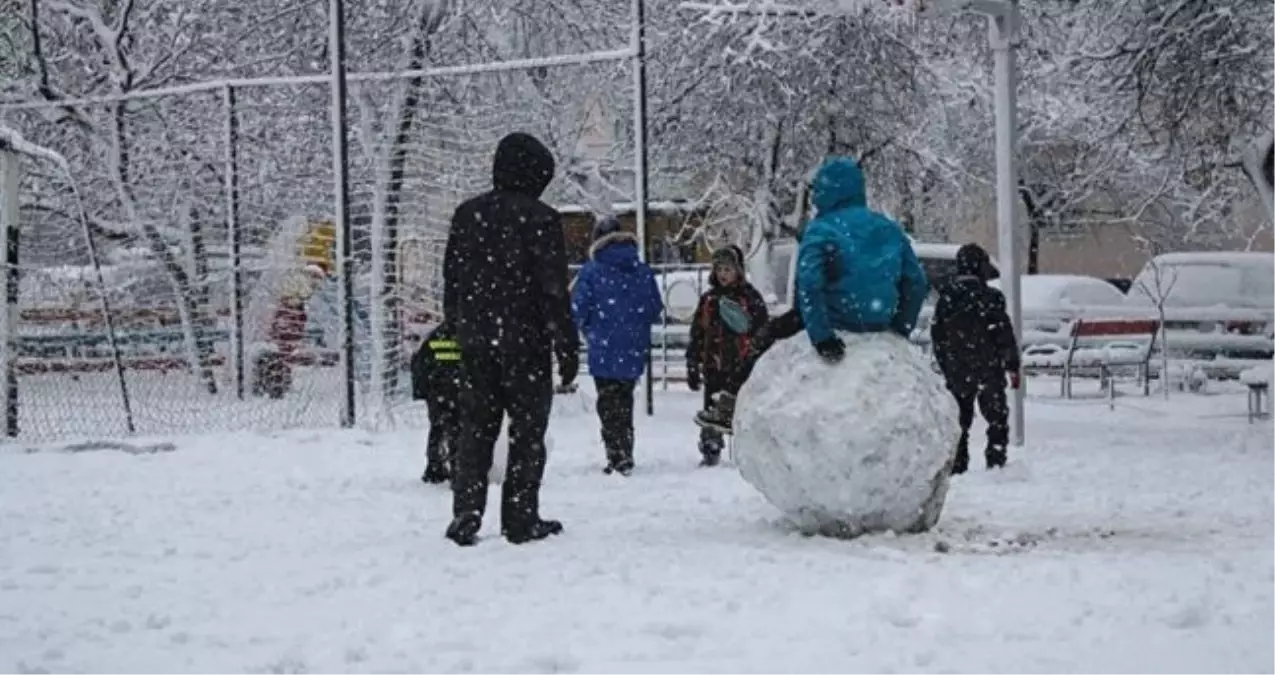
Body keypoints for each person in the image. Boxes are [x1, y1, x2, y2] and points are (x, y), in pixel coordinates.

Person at [441, 131, 579, 547]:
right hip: (526, 345)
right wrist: (566, 344)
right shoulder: (541, 219)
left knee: (475, 430)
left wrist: (460, 329)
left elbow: (452, 282)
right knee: (526, 431)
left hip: (477, 343)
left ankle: (466, 512)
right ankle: (520, 517)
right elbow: (553, 291)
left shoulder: (467, 215)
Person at [795, 155, 929, 361]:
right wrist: (901, 327)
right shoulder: (889, 229)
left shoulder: (820, 230)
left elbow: (809, 283)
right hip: (882, 337)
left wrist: (822, 337)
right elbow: (916, 283)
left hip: (838, 329)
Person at [570, 215, 664, 476]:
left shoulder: (591, 270)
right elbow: (655, 307)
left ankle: (616, 453)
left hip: (603, 345)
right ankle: (625, 449)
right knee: (624, 399)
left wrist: (587, 328)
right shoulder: (642, 270)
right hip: (633, 346)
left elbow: (578, 309)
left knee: (608, 402)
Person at [930, 243, 1019, 473]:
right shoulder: (991, 298)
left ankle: (959, 462)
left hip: (958, 368)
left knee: (959, 419)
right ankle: (996, 458)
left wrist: (945, 363)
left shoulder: (947, 298)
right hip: (988, 366)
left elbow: (937, 335)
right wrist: (1011, 364)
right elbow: (1003, 333)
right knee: (997, 416)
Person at [686, 245, 768, 466]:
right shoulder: (709, 299)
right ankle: (710, 447)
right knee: (712, 408)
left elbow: (763, 330)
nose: (723, 274)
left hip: (741, 365)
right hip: (713, 364)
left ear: (738, 270)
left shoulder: (750, 298)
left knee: (742, 407)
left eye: (728, 269)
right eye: (719, 269)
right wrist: (692, 362)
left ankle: (750, 450)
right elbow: (697, 333)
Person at [409, 320, 462, 484]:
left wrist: (422, 391)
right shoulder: (469, 334)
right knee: (458, 430)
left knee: (437, 428)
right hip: (459, 391)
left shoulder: (436, 335)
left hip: (437, 391)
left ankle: (434, 468)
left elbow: (420, 363)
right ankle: (457, 469)